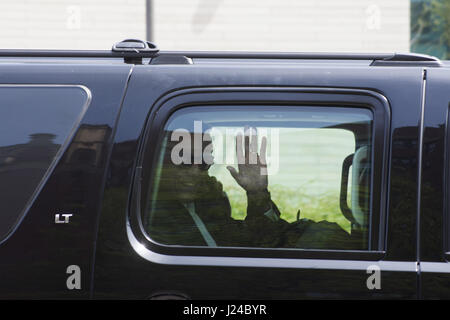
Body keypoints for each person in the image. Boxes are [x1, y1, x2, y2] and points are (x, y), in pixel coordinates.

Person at [144, 126, 357, 250]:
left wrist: (256, 194)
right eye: (183, 161)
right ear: (158, 162)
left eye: (203, 163)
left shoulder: (206, 203)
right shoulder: (147, 215)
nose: (195, 171)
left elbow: (258, 242)